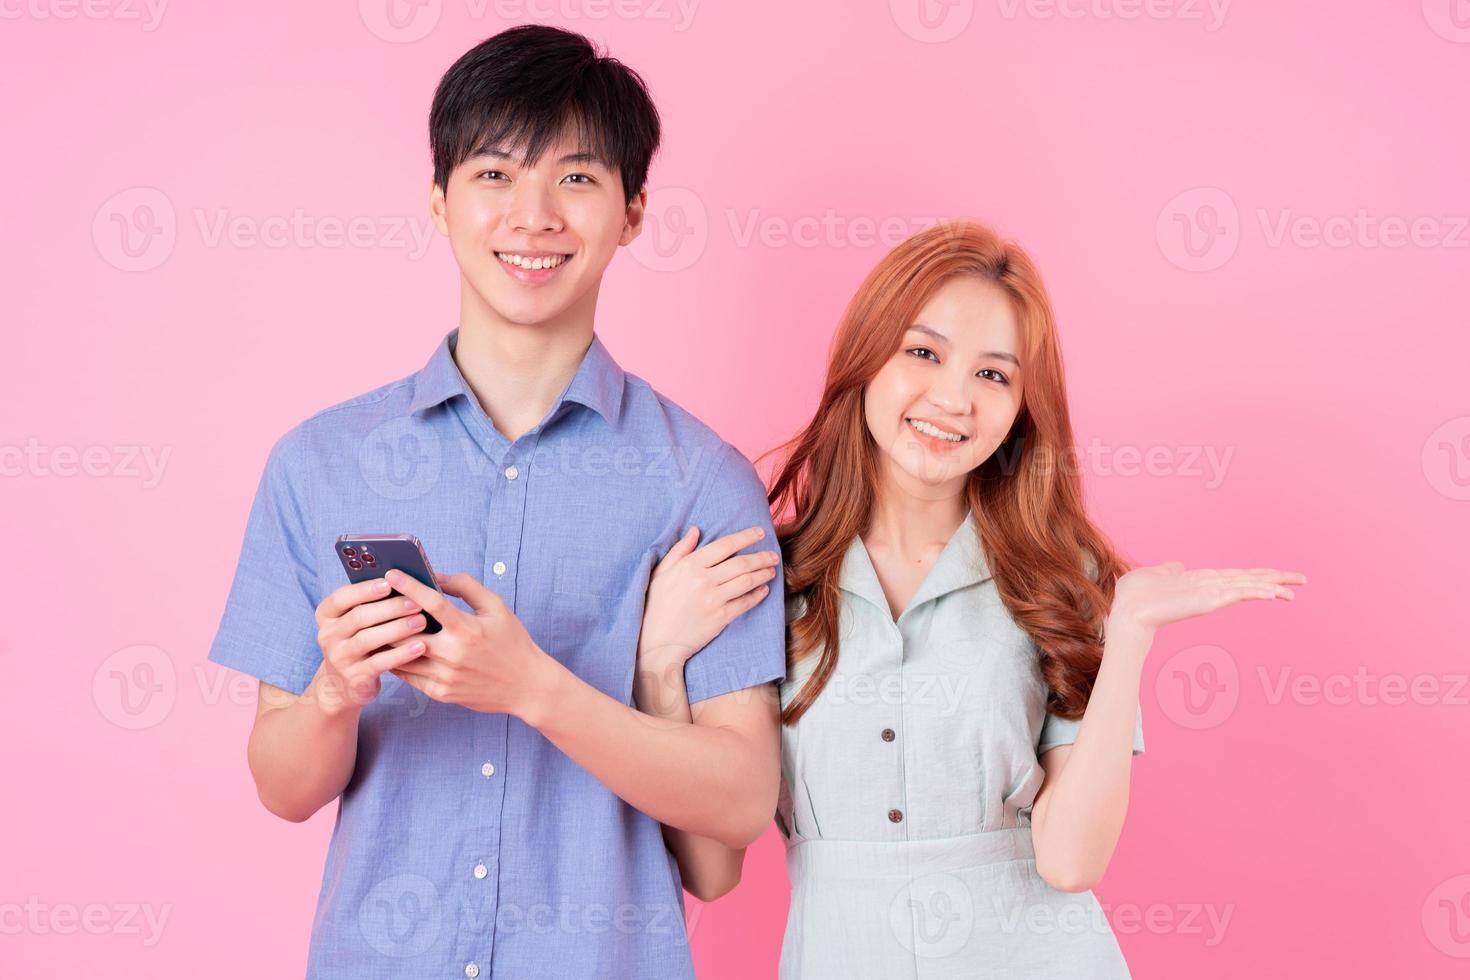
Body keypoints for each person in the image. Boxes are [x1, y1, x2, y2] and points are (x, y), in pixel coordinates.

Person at [206, 25, 786, 979]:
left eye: (578, 178)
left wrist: (538, 690)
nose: (534, 215)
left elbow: (739, 802)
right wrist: (336, 694)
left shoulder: (700, 479)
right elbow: (282, 787)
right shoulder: (320, 464)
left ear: (634, 212)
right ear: (438, 203)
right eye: (494, 175)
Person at [635, 220, 1306, 977]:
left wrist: (1129, 636)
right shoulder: (770, 578)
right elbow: (712, 872)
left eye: (994, 375)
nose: (953, 398)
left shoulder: (1057, 574)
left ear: (1023, 406)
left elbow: (1072, 860)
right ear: (866, 360)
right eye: (923, 353)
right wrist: (659, 667)